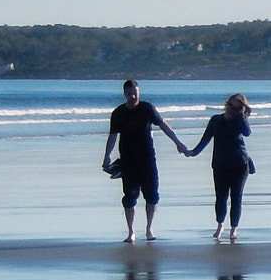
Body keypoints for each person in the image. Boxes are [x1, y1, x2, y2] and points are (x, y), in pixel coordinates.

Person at [101, 79, 185, 243]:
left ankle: (149, 228)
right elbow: (112, 136)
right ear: (124, 94)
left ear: (139, 92)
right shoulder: (118, 113)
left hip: (147, 158)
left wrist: (178, 143)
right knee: (129, 196)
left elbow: (163, 125)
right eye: (130, 93)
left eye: (135, 93)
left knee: (152, 195)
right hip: (127, 159)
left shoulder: (147, 108)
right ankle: (131, 231)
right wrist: (106, 156)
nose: (133, 96)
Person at [190, 93, 254, 241]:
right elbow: (206, 138)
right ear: (227, 104)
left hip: (240, 163)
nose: (233, 107)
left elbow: (247, 132)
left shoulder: (239, 120)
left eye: (238, 105)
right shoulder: (216, 120)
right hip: (220, 164)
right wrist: (193, 152)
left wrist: (241, 114)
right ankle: (220, 225)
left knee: (236, 197)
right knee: (221, 197)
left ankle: (233, 229)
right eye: (232, 104)